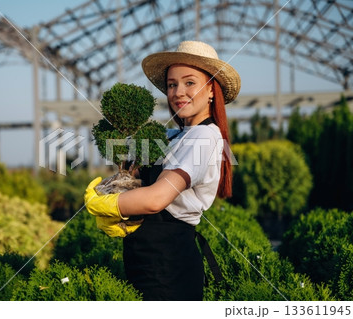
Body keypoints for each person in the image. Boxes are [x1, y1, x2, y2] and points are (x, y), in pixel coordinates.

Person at [84, 41, 241, 300]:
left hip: (169, 268)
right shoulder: (172, 135)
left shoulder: (203, 137)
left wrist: (108, 204)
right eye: (172, 84)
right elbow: (135, 175)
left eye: (190, 82)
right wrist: (117, 184)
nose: (179, 92)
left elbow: (156, 198)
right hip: (147, 260)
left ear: (212, 89)